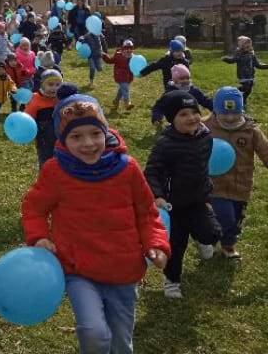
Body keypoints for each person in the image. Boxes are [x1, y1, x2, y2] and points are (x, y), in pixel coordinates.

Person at [22, 86, 170, 354]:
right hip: (79, 269)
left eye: (94, 133)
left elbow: (147, 212)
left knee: (121, 343)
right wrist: (39, 236)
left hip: (124, 270)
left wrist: (156, 243)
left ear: (105, 132)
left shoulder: (127, 168)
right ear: (63, 140)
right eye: (76, 136)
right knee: (94, 333)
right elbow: (34, 208)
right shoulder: (55, 171)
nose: (88, 143)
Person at [144, 90, 222, 299]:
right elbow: (152, 171)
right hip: (173, 205)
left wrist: (206, 195)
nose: (191, 118)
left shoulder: (205, 136)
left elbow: (203, 168)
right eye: (183, 114)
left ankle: (201, 238)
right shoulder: (165, 143)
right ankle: (172, 281)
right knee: (176, 248)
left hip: (198, 200)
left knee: (212, 234)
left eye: (194, 112)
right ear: (172, 119)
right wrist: (158, 195)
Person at [203, 86, 268, 259]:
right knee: (225, 216)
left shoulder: (251, 130)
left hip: (241, 184)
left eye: (235, 113)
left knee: (237, 219)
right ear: (215, 110)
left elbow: (265, 150)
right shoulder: (206, 127)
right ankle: (211, 238)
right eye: (225, 113)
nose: (230, 118)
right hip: (214, 185)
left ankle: (228, 244)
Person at [150, 64, 212, 129]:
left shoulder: (193, 91)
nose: (185, 80)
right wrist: (156, 118)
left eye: (187, 78)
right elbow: (159, 106)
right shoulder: (170, 93)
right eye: (182, 78)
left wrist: (215, 109)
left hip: (193, 119)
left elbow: (205, 100)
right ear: (174, 80)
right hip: (177, 122)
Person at [24, 70, 64, 169]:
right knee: (46, 162)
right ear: (43, 85)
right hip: (44, 140)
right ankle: (45, 179)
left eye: (58, 84)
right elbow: (28, 119)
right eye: (50, 84)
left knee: (61, 162)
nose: (54, 88)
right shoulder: (35, 99)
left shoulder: (61, 99)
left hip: (61, 139)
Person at [222, 35, 268, 105]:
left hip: (251, 76)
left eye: (250, 46)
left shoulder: (252, 54)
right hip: (243, 76)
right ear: (241, 47)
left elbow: (258, 65)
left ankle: (243, 99)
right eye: (246, 46)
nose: (249, 48)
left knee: (249, 90)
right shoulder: (239, 54)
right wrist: (226, 59)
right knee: (245, 87)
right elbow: (233, 60)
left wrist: (266, 66)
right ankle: (234, 91)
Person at [102, 40, 135, 111]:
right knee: (125, 89)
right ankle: (127, 103)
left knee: (121, 90)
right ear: (123, 49)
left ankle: (116, 101)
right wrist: (104, 56)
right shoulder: (118, 55)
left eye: (130, 48)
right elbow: (110, 60)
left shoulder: (133, 57)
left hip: (129, 77)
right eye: (126, 48)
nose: (128, 50)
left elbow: (135, 66)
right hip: (120, 76)